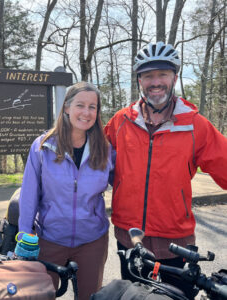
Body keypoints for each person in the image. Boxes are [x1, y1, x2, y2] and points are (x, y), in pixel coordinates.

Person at [104, 41, 227, 298]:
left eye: (163, 74)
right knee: (133, 295)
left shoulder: (195, 125)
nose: (155, 81)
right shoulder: (120, 121)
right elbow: (93, 162)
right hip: (129, 236)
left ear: (175, 77)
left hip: (176, 241)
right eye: (148, 75)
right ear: (139, 80)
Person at [19, 81, 114, 300]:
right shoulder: (42, 146)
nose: (86, 112)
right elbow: (29, 193)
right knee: (41, 296)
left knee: (90, 297)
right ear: (67, 108)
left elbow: (125, 185)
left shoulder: (105, 149)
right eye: (80, 105)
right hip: (49, 239)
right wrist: (24, 232)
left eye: (93, 107)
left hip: (93, 240)